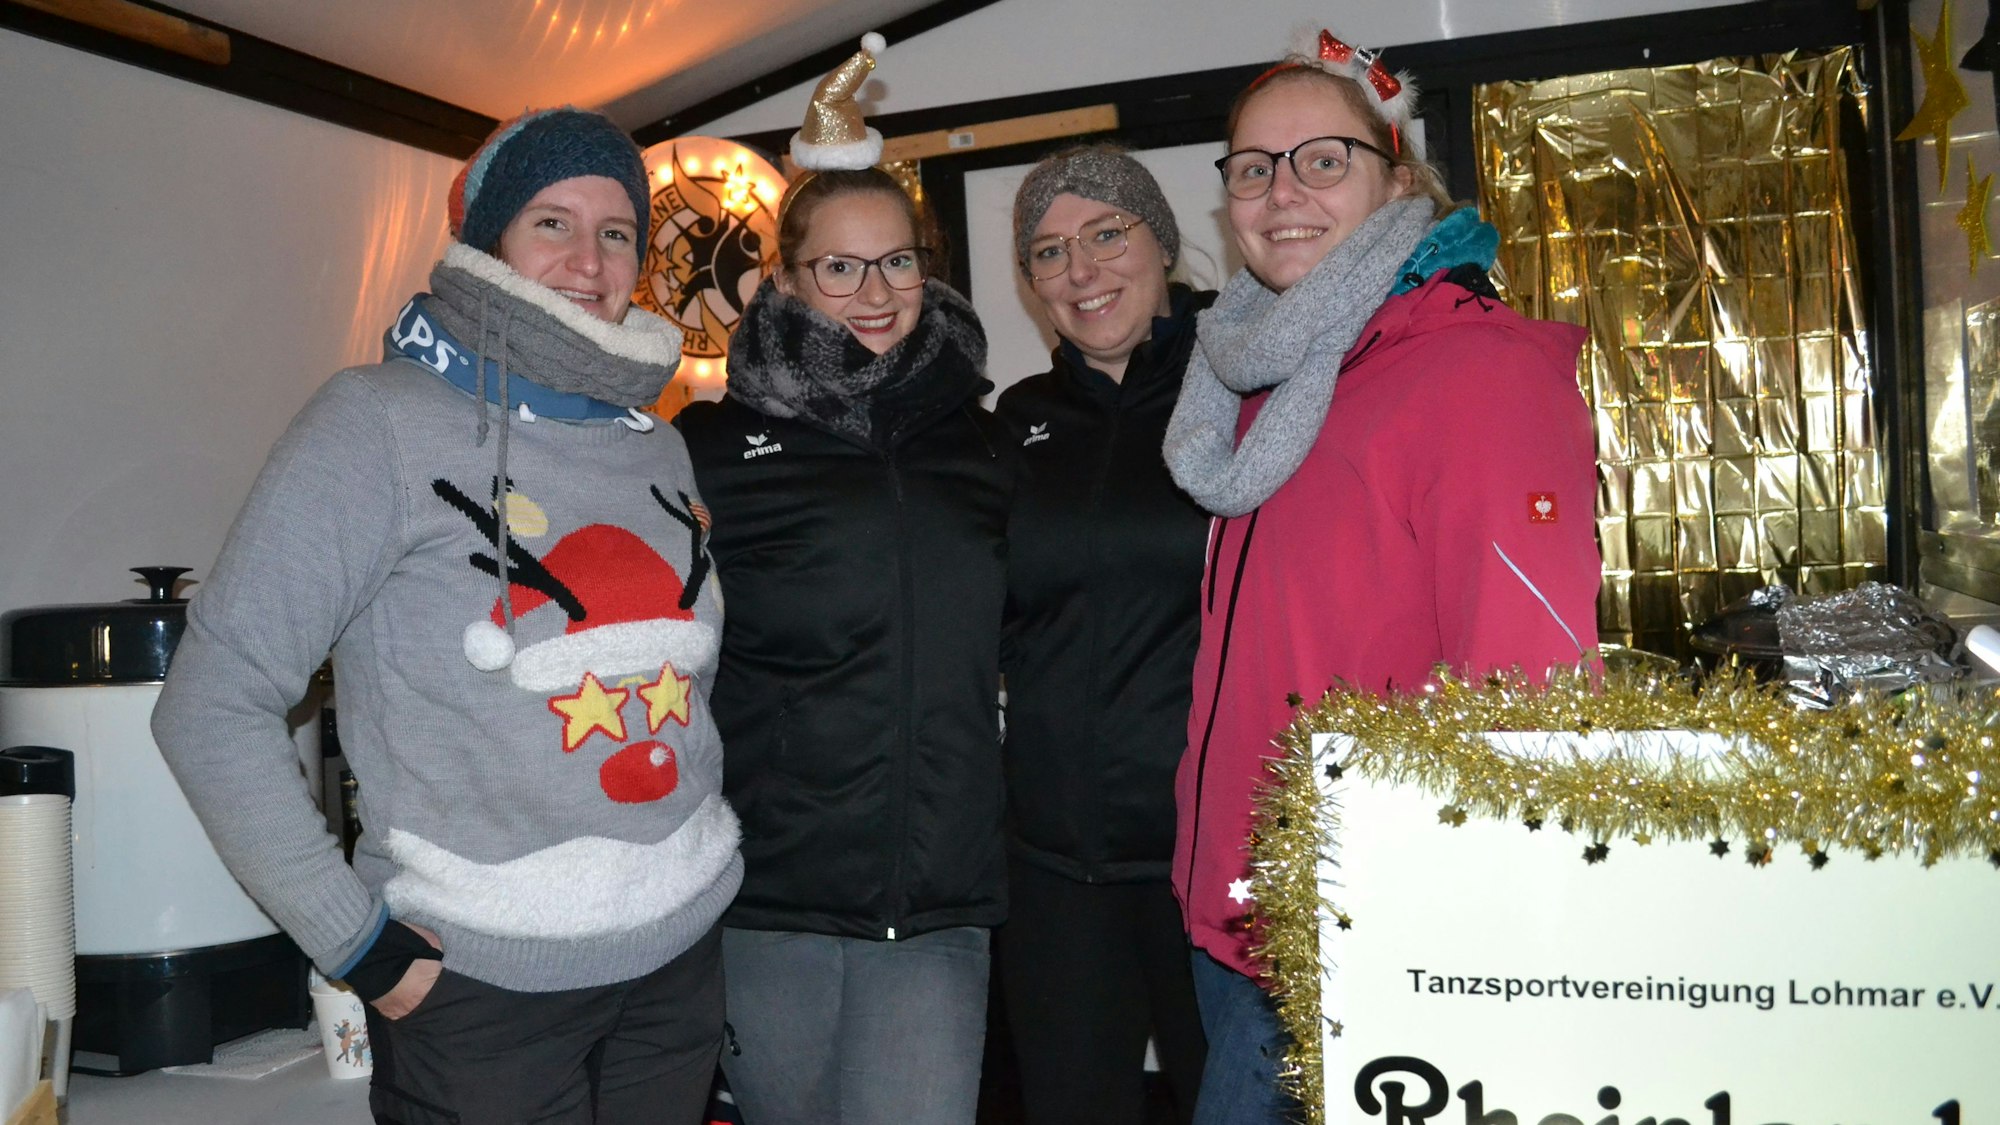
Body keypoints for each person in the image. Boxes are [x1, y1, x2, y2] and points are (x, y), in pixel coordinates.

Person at [153, 107, 740, 1124]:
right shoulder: (377, 421)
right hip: (479, 993)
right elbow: (210, 706)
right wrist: (357, 943)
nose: (590, 261)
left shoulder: (656, 440)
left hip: (674, 963)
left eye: (617, 234)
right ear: (487, 243)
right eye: (552, 222)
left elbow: (684, 685)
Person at [1161, 32, 1602, 1121]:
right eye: (1252, 167)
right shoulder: (1266, 374)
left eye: (1322, 159)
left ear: (1397, 175)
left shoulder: (1473, 373)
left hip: (1372, 940)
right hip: (1235, 922)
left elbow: (1529, 698)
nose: (1280, 192)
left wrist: (1477, 956)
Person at [674, 35, 1013, 1125]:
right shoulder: (710, 446)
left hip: (938, 895)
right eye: (839, 267)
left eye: (898, 261)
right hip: (768, 895)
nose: (875, 293)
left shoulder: (977, 437)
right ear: (783, 280)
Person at [993, 145, 1211, 1125]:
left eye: (1106, 235)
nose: (1079, 272)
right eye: (1047, 252)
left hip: (1217, 856)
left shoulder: (1244, 390)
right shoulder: (1017, 421)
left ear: (1159, 245)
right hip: (1053, 862)